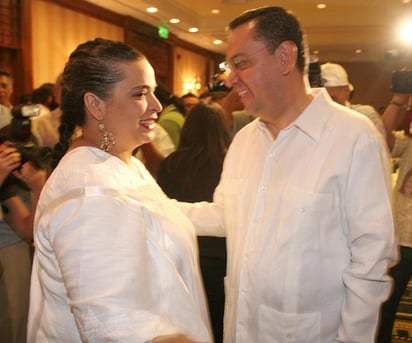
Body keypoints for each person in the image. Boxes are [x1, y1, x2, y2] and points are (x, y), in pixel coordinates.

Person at [177, 6, 396, 342]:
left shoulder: (353, 136)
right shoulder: (246, 140)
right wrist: (147, 204)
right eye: (228, 67)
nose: (229, 79)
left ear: (284, 57)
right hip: (241, 328)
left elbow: (370, 259)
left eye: (242, 63)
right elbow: (227, 214)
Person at [27, 38, 212, 343]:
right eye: (140, 93)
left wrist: (236, 216)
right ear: (96, 105)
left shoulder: (122, 163)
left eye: (154, 91)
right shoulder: (87, 193)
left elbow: (161, 212)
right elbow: (115, 327)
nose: (157, 106)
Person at [157, 101, 231, 343]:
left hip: (184, 260)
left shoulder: (172, 164)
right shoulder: (231, 165)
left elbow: (164, 213)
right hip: (224, 262)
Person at [0, 142, 47, 343]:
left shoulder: (9, 184)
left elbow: (29, 230)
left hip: (10, 253)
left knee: (16, 323)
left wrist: (38, 188)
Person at [377, 92, 412, 343]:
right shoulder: (409, 140)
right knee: (385, 304)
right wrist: (399, 99)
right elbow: (381, 136)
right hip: (403, 235)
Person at [320, 62, 386, 138]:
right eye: (322, 98)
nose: (328, 103)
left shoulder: (365, 114)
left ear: (346, 91)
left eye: (332, 98)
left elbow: (377, 146)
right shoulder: (314, 118)